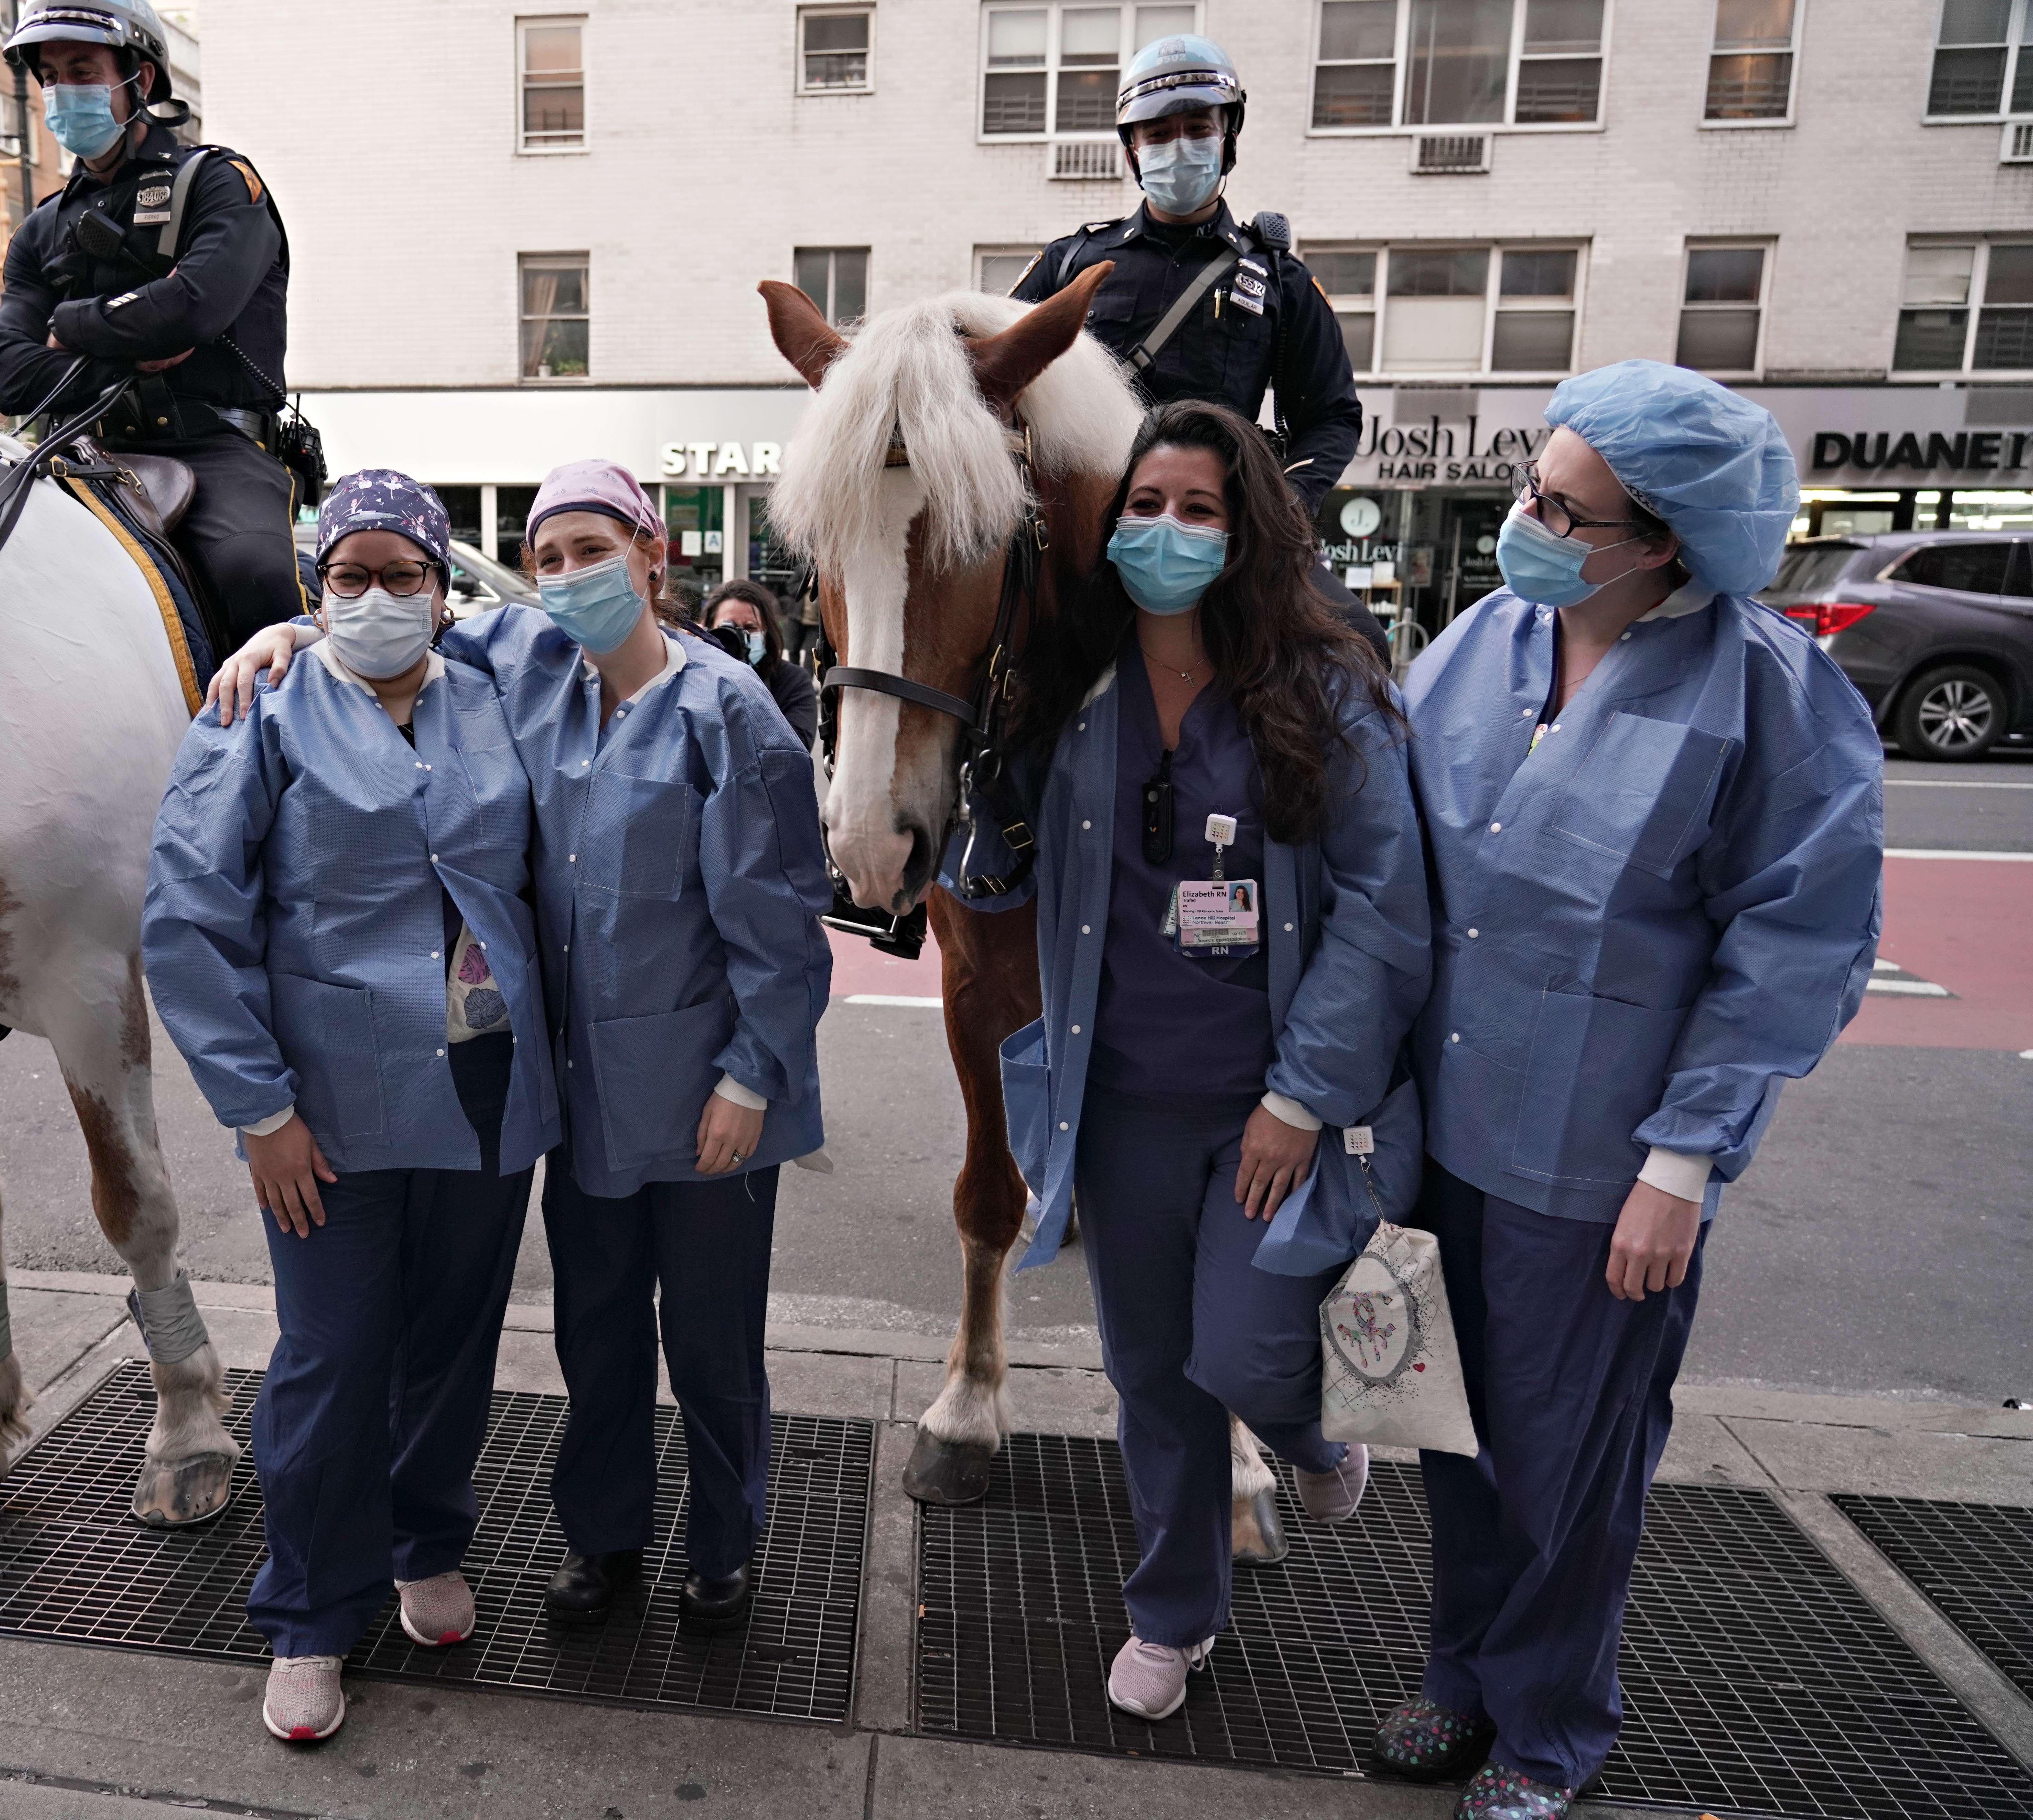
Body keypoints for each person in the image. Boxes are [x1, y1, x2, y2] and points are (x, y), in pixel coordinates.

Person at [213, 459, 833, 1635]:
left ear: (654, 553)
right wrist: (289, 633)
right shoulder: (528, 666)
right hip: (583, 1094)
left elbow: (785, 925)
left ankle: (721, 1543)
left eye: (592, 550)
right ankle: (606, 1541)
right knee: (595, 1333)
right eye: (547, 559)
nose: (566, 577)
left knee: (709, 1342)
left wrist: (753, 1075)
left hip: (711, 1092)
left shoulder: (728, 710)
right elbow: (392, 604)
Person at [1384, 363, 1883, 1820]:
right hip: (1443, 1137)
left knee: (1567, 1475)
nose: (1523, 521)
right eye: (1528, 487)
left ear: (1661, 540)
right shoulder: (1482, 642)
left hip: (1597, 1168)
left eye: (1562, 508)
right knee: (1451, 1443)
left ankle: (1544, 1737)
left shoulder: (1764, 694)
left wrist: (1682, 1165)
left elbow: (1792, 946)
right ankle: (1459, 1680)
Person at [946, 399, 1430, 1723]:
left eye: (1198, 508)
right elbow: (980, 864)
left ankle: (1311, 1435)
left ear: (1246, 530)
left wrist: (1300, 1097)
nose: (1164, 531)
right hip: (1115, 1110)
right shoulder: (1064, 696)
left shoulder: (1323, 688)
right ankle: (1172, 1612)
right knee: (1151, 1375)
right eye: (1143, 508)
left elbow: (1386, 910)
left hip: (1273, 1111)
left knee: (1249, 1353)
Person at [142, 470, 561, 1745]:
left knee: (452, 1337)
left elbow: (603, 616)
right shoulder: (258, 706)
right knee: (330, 1358)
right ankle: (311, 1610)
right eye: (346, 578)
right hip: (326, 1109)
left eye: (403, 576)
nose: (375, 599)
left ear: (443, 588)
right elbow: (185, 923)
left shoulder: (491, 687)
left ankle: (424, 1538)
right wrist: (258, 1111)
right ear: (313, 587)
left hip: (485, 1085)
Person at [1013, 34, 1384, 660]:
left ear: (1226, 137)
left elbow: (1332, 414)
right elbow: (998, 376)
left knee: (1358, 641)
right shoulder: (1070, 262)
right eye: (1156, 134)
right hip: (1089, 526)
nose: (1176, 147)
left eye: (1195, 127)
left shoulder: (1279, 279)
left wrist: (1284, 506)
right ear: (1132, 149)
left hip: (1224, 529)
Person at [0, 0, 306, 649]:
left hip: (211, 447)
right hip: (76, 449)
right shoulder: (39, 228)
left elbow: (193, 308)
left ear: (141, 80)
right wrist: (130, 344)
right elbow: (12, 378)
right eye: (49, 76)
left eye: (81, 70)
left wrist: (70, 322)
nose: (60, 91)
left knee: (256, 574)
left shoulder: (219, 183)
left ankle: (287, 740)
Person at [705, 578, 818, 749]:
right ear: (709, 632)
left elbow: (794, 755)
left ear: (767, 634)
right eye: (730, 628)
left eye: (751, 628)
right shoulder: (697, 677)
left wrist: (745, 680)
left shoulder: (794, 681)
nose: (740, 637)